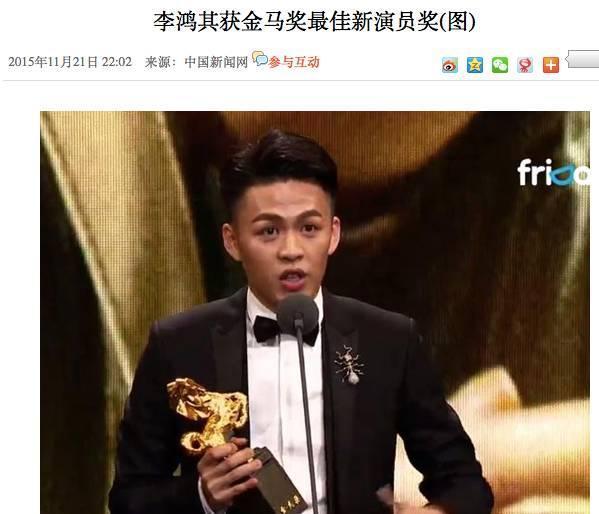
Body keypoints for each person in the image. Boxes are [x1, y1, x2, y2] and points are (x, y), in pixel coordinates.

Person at [108, 129, 493, 514]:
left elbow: (465, 484)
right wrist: (201, 496)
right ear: (233, 241)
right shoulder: (176, 344)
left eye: (309, 228)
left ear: (333, 235)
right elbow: (129, 500)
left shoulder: (390, 341)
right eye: (269, 231)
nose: (291, 251)